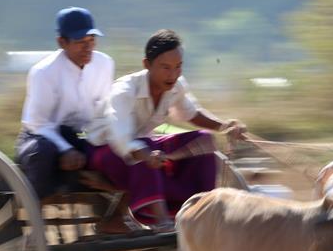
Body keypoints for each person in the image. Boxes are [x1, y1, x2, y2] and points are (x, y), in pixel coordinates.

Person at [85, 29, 246, 231]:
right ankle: (162, 221)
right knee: (145, 146)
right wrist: (146, 155)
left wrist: (225, 127)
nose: (173, 74)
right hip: (105, 152)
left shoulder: (176, 86)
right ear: (147, 65)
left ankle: (204, 211)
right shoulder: (123, 91)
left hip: (145, 149)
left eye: (178, 67)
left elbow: (191, 114)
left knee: (203, 140)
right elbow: (122, 140)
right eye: (165, 67)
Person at [16, 7, 114, 200]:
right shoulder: (43, 72)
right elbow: (38, 124)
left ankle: (117, 214)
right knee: (43, 152)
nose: (88, 48)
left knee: (116, 150)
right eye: (80, 42)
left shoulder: (105, 64)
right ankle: (36, 208)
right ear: (62, 42)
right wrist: (65, 149)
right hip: (40, 137)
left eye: (91, 40)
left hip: (80, 134)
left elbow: (103, 110)